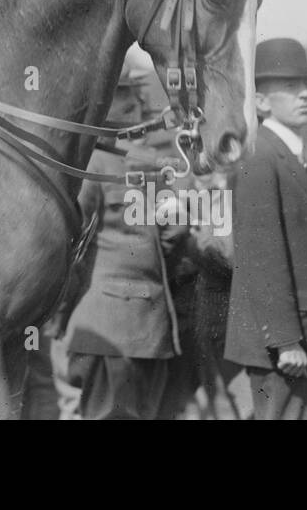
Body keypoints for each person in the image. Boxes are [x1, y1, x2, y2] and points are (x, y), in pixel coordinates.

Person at [61, 70, 187, 420]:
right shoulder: (152, 168)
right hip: (153, 325)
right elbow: (173, 236)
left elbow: (72, 246)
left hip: (104, 326)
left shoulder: (94, 164)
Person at [225, 38, 307, 420]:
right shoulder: (261, 157)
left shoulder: (286, 153)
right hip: (285, 345)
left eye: (304, 85)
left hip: (304, 336)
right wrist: (285, 339)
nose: (305, 94)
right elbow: (262, 257)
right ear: (259, 102)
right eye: (290, 88)